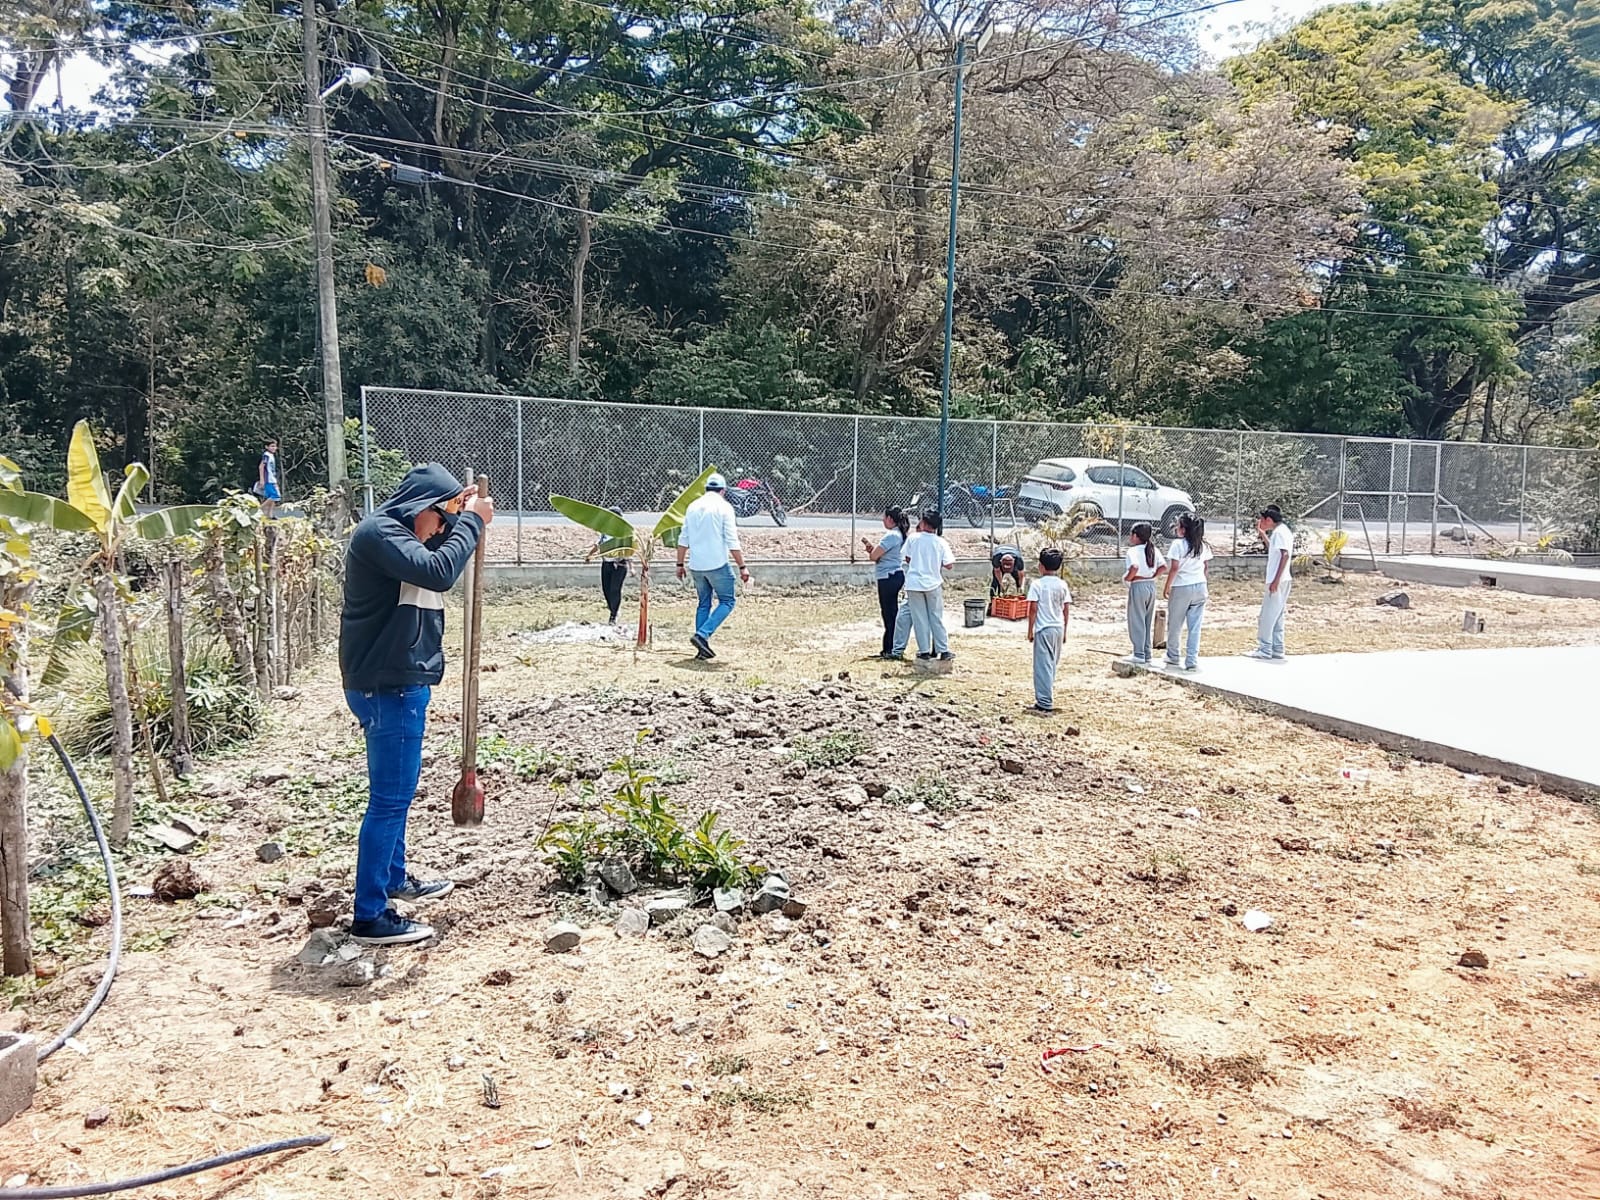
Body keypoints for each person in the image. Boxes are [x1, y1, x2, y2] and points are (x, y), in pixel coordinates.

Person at [339, 465, 494, 946]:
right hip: (387, 686)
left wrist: (462, 513)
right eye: (440, 519)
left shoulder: (406, 539)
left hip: (399, 681)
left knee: (397, 795)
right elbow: (440, 571)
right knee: (389, 799)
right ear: (419, 507)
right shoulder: (381, 534)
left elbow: (443, 555)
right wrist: (473, 519)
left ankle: (392, 878)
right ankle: (370, 915)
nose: (442, 530)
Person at [675, 473, 750, 660]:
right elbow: (732, 541)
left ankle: (702, 648)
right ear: (723, 491)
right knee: (727, 601)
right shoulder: (724, 507)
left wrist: (679, 564)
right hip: (717, 564)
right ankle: (702, 635)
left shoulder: (693, 506)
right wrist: (742, 566)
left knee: (704, 604)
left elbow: (683, 539)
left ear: (706, 489)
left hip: (696, 565)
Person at [901, 509, 955, 661]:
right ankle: (943, 649)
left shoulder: (913, 538)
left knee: (920, 618)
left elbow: (907, 558)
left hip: (914, 584)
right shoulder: (940, 542)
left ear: (923, 523)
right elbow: (949, 564)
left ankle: (924, 650)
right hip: (933, 583)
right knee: (936, 617)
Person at [1161, 512, 1212, 672]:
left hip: (1182, 586)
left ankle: (1173, 655)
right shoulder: (1203, 545)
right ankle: (1191, 660)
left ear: (1183, 529)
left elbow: (1174, 568)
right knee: (1195, 626)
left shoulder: (1178, 544)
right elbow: (1205, 567)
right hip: (1200, 586)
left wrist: (1167, 586)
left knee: (1175, 624)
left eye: (1178, 525)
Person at [1025, 547, 1071, 713]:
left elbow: (1033, 609)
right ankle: (1046, 695)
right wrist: (1065, 630)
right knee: (1051, 664)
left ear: (1041, 566)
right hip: (1058, 628)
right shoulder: (1062, 584)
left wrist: (1030, 630)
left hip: (1044, 628)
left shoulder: (1037, 584)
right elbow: (1066, 609)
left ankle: (1044, 702)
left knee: (1042, 665)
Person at [1249, 505, 1294, 661]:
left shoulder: (1279, 533)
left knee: (1267, 615)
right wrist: (1262, 534)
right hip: (1284, 579)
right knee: (1277, 615)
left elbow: (1284, 555)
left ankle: (1265, 648)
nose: (1261, 522)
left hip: (1278, 580)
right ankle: (1277, 648)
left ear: (1269, 520)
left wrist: (1275, 580)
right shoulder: (1283, 531)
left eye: (1262, 520)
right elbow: (1274, 549)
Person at [863, 506, 909, 659]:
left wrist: (872, 552)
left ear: (890, 519)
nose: (883, 520)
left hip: (888, 577)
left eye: (884, 517)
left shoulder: (891, 536)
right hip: (895, 575)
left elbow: (874, 556)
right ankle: (890, 647)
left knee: (889, 614)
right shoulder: (899, 535)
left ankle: (890, 649)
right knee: (891, 612)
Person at [1122, 521, 1165, 664]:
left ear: (1135, 536)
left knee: (1136, 619)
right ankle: (1147, 653)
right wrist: (1152, 576)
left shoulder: (1133, 551)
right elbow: (1163, 567)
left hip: (1138, 585)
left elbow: (1134, 567)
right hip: (1151, 585)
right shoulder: (1153, 549)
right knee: (1147, 619)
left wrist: (1128, 578)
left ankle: (1138, 653)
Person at [584, 507, 630, 624]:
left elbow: (628, 549)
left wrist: (630, 565)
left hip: (619, 564)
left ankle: (614, 615)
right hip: (606, 563)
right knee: (606, 589)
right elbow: (599, 544)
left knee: (615, 589)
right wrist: (590, 555)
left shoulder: (623, 532)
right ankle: (613, 609)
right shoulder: (604, 530)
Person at [989, 545, 1026, 613]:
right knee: (995, 582)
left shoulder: (1018, 560)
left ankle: (1019, 601)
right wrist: (1001, 585)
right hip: (999, 553)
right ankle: (993, 603)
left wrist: (1021, 587)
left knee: (1018, 580)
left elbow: (1021, 575)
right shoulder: (996, 559)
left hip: (1014, 556)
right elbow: (997, 571)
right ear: (1001, 561)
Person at [257, 438, 281, 518]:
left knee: (273, 497)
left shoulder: (271, 455)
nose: (274, 448)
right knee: (275, 496)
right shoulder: (266, 455)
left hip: (272, 479)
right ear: (267, 447)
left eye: (275, 446)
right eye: (272, 446)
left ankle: (270, 515)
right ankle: (259, 509)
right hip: (268, 479)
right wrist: (262, 479)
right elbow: (261, 467)